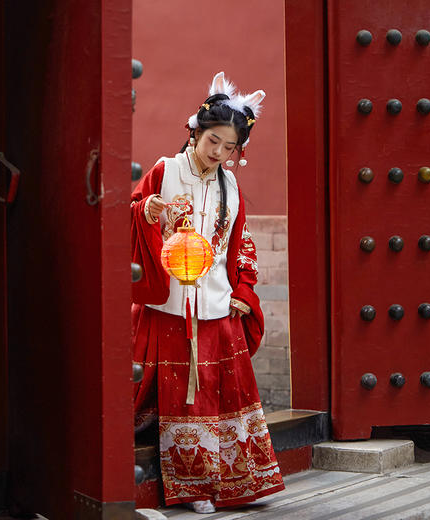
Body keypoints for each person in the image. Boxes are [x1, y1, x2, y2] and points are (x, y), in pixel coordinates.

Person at [131, 72, 285, 514]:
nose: (218, 152)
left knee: (229, 393)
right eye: (212, 140)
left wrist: (243, 289)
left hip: (218, 303)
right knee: (189, 397)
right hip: (172, 305)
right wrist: (146, 210)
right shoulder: (166, 170)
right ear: (195, 131)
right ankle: (195, 488)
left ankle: (238, 483)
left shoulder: (230, 186)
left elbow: (242, 242)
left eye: (229, 146)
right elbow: (129, 215)